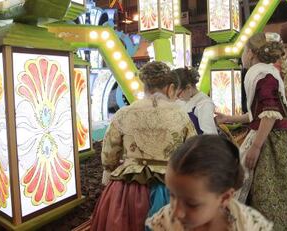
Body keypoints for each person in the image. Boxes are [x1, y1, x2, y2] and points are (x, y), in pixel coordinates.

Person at [215, 32, 287, 229]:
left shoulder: (261, 74)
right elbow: (259, 113)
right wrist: (228, 118)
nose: (242, 56)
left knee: (270, 192)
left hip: (271, 140)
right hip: (276, 134)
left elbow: (270, 112)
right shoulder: (267, 71)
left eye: (243, 51)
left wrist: (256, 146)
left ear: (250, 53)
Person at [90, 61, 197, 231]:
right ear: (170, 87)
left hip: (128, 189)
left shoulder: (124, 113)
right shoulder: (180, 115)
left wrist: (109, 170)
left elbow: (109, 153)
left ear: (144, 86)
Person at [146, 135, 273, 231]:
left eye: (192, 204)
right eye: (172, 195)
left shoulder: (250, 225)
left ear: (225, 197)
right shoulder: (164, 221)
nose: (176, 212)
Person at [172, 67, 218, 135]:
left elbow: (210, 136)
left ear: (188, 88)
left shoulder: (204, 104)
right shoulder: (183, 99)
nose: (176, 98)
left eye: (178, 94)